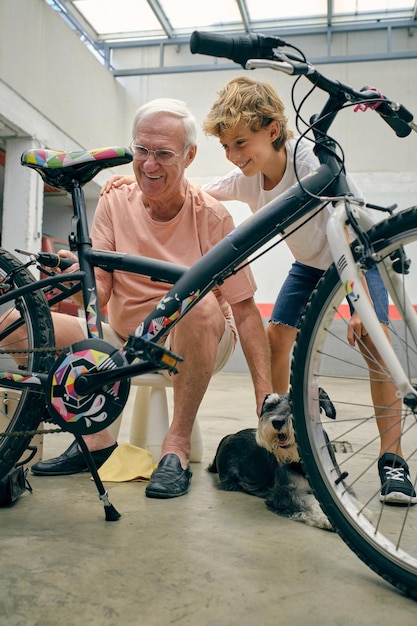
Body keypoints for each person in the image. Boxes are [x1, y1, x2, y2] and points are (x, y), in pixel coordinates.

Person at [104, 77, 416, 505]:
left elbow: (349, 223)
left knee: (373, 344)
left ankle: (392, 461)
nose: (234, 156)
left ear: (273, 131)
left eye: (240, 143)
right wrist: (130, 181)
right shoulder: (248, 179)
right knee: (275, 340)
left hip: (359, 255)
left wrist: (360, 300)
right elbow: (192, 189)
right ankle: (286, 437)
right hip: (310, 267)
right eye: (227, 147)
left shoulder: (309, 160)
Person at [28, 97, 273, 499]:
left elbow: (245, 312)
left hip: (199, 333)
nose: (149, 164)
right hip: (125, 337)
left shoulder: (211, 217)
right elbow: (101, 291)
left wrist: (265, 399)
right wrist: (75, 276)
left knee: (197, 304)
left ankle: (175, 448)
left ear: (190, 156)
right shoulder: (113, 200)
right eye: (141, 150)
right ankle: (95, 441)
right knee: (20, 328)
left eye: (163, 153)